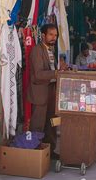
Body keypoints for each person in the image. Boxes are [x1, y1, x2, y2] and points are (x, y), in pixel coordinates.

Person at [27, 24, 68, 159]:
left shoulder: (52, 50)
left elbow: (54, 70)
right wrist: (56, 72)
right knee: (38, 123)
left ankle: (49, 150)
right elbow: (38, 74)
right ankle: (35, 152)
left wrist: (61, 69)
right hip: (40, 92)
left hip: (51, 91)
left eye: (55, 35)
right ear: (43, 35)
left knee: (52, 122)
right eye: (51, 35)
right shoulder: (36, 50)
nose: (53, 38)